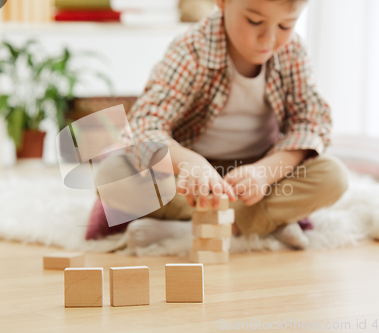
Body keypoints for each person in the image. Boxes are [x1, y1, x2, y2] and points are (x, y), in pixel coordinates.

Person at [94, 0, 348, 249]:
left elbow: (312, 122)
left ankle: (198, 228)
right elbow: (145, 125)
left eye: (285, 25)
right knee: (111, 176)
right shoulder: (191, 48)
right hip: (190, 174)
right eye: (254, 21)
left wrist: (265, 172)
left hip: (256, 172)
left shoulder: (292, 51)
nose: (268, 38)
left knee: (333, 176)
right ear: (222, 2)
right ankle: (259, 222)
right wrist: (191, 164)